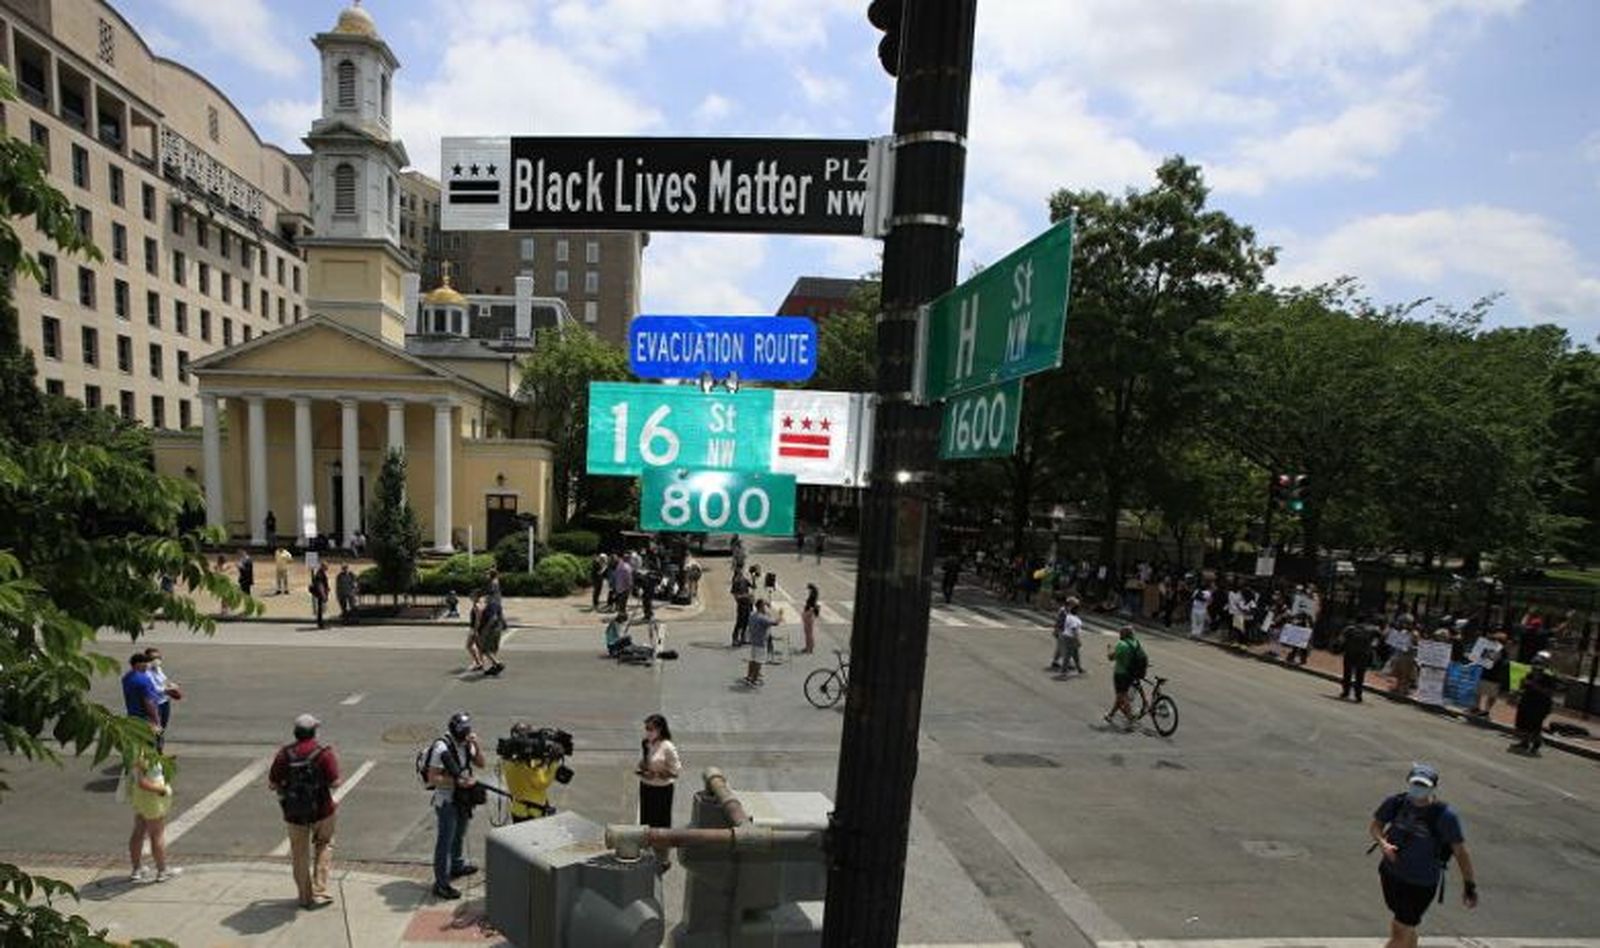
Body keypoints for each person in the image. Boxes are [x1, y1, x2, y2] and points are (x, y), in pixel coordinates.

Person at [1368, 764, 1476, 948]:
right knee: (1404, 927)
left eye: (1424, 785)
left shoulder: (1445, 816)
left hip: (1420, 883)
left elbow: (1460, 852)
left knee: (1400, 931)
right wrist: (1383, 844)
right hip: (1391, 874)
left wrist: (1469, 885)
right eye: (1415, 783)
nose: (1418, 789)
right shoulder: (1396, 803)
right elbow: (1376, 826)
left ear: (1432, 787)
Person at [268, 713, 341, 909]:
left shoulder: (284, 754)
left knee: (299, 854)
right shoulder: (323, 753)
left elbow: (272, 784)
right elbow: (335, 782)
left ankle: (304, 897)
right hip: (322, 810)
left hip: (293, 813)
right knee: (324, 844)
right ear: (314, 732)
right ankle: (319, 891)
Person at [423, 712, 486, 900]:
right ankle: (441, 884)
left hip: (463, 797)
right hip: (447, 800)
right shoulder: (442, 747)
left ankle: (457, 866)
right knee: (445, 840)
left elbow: (481, 763)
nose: (466, 735)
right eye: (463, 733)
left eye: (468, 731)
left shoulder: (467, 741)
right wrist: (456, 782)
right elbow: (432, 777)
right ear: (454, 731)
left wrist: (476, 744)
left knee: (460, 833)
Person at [126, 750, 180, 883]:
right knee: (156, 834)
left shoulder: (136, 749)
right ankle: (162, 870)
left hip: (140, 797)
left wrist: (164, 759)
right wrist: (162, 790)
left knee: (139, 830)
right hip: (151, 798)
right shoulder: (141, 754)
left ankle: (137, 869)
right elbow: (142, 782)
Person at [637, 714, 681, 872]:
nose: (647, 732)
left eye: (650, 729)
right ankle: (646, 855)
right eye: (646, 729)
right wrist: (643, 770)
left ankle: (663, 859)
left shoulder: (667, 746)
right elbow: (644, 762)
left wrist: (659, 774)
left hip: (662, 790)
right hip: (646, 786)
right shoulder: (646, 743)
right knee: (646, 821)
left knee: (661, 824)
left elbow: (676, 770)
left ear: (660, 730)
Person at [501, 722, 559, 823]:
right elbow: (542, 783)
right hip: (532, 810)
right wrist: (553, 764)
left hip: (517, 807)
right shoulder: (530, 763)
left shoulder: (508, 759)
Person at [1511, 651, 1561, 755]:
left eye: (1538, 664)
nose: (1535, 667)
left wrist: (1535, 685)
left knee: (1535, 726)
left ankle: (1536, 744)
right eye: (1535, 664)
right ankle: (1524, 742)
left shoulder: (1549, 677)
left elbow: (1550, 692)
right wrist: (1517, 691)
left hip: (1541, 704)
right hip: (1527, 701)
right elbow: (1524, 687)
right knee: (1523, 723)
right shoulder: (1530, 674)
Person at [1102, 625, 1143, 730]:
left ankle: (1130, 719)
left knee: (1122, 696)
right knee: (1120, 695)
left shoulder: (1121, 644)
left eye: (1121, 633)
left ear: (1124, 634)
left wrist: (1109, 649)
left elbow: (1111, 657)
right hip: (1132, 673)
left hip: (1121, 673)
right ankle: (1110, 715)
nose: (1119, 634)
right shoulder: (1135, 643)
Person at [121, 652, 164, 747]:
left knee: (138, 746)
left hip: (133, 716)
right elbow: (149, 702)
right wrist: (156, 721)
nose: (147, 666)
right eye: (145, 664)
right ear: (137, 664)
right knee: (152, 746)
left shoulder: (127, 677)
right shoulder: (143, 680)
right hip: (145, 719)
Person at [142, 648, 181, 743]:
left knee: (162, 726)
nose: (157, 660)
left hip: (164, 702)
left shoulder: (158, 669)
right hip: (154, 704)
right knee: (155, 727)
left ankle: (159, 748)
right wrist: (167, 690)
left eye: (159, 657)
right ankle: (153, 748)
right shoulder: (146, 672)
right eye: (154, 658)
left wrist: (171, 685)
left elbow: (164, 680)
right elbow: (152, 688)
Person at [744, 599, 783, 687]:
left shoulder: (752, 615)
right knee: (759, 661)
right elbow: (775, 622)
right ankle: (754, 679)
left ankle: (749, 676)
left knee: (753, 659)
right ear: (761, 607)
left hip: (754, 641)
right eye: (765, 606)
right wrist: (780, 615)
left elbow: (767, 617)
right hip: (761, 642)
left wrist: (767, 609)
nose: (766, 607)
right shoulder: (762, 618)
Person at [1339, 617, 1379, 702]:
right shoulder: (1372, 630)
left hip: (1350, 653)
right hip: (1364, 655)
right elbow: (1378, 640)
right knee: (1360, 675)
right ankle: (1358, 695)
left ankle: (1345, 692)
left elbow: (1341, 640)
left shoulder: (1349, 629)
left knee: (1347, 673)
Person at [1474, 632, 1511, 717]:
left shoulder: (1500, 651)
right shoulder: (1496, 649)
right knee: (1480, 692)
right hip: (1490, 673)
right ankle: (1478, 707)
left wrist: (1482, 657)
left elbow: (1493, 660)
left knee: (1490, 694)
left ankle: (1486, 710)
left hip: (1493, 674)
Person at [1052, 597, 1085, 675]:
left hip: (1064, 632)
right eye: (1076, 605)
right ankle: (1064, 667)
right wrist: (1056, 630)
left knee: (1062, 648)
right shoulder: (1063, 611)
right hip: (1064, 632)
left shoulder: (1068, 612)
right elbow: (1060, 622)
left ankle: (1057, 662)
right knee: (1065, 650)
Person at [730, 565, 754, 647]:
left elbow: (753, 586)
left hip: (748, 604)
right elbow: (736, 596)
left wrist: (753, 577)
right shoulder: (736, 582)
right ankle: (735, 638)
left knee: (746, 622)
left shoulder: (744, 580)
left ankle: (743, 638)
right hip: (741, 605)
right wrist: (746, 596)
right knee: (739, 622)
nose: (742, 572)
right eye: (740, 571)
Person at [309, 562, 330, 629]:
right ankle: (320, 624)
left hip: (321, 593)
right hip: (320, 594)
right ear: (323, 566)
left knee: (321, 609)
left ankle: (320, 623)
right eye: (326, 566)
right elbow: (320, 585)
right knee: (320, 609)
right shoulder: (320, 574)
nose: (327, 568)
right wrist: (323, 595)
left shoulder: (320, 573)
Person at [801, 584, 820, 654]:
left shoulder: (812, 599)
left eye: (809, 589)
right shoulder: (812, 597)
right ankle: (808, 647)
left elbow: (811, 609)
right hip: (809, 616)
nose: (808, 591)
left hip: (809, 617)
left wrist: (805, 615)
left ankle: (809, 648)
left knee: (809, 633)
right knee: (808, 633)